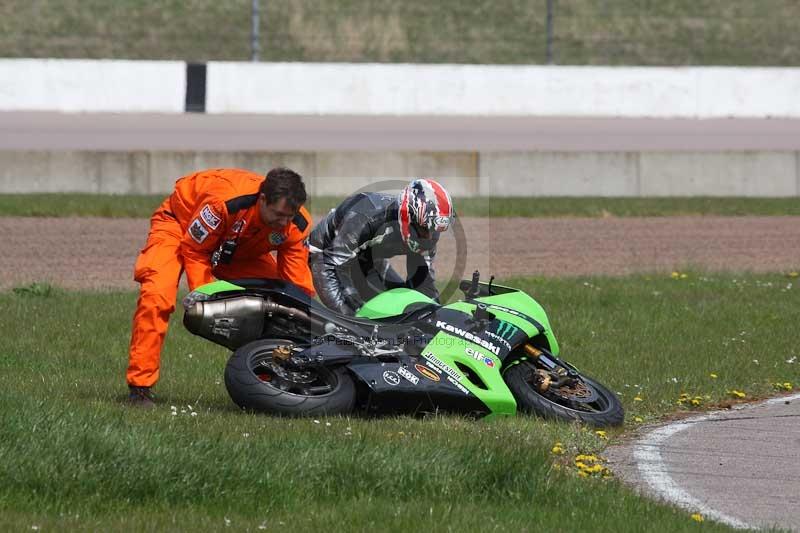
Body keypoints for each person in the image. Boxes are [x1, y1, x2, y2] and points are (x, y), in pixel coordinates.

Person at [126, 167, 314, 407]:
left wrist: (306, 321)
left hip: (236, 246)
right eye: (279, 215)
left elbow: (296, 283)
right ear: (263, 199)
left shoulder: (296, 223)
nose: (284, 223)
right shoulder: (225, 203)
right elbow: (195, 249)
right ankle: (139, 388)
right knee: (157, 296)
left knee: (282, 306)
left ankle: (271, 377)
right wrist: (208, 297)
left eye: (290, 215)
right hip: (180, 225)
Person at [308, 178, 454, 315]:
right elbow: (329, 263)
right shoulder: (367, 218)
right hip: (326, 256)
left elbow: (423, 284)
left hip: (368, 260)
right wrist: (348, 314)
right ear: (407, 216)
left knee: (404, 307)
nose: (429, 237)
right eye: (424, 229)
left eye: (434, 230)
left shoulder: (424, 233)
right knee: (355, 319)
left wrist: (438, 318)